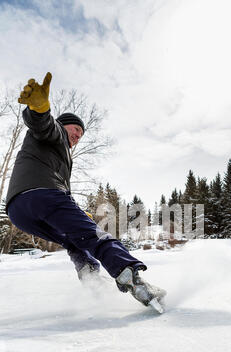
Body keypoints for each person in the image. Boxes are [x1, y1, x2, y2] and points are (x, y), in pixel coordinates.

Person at [5, 72, 165, 311]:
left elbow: (62, 191)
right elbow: (43, 124)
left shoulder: (55, 154)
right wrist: (38, 109)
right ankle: (131, 276)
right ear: (62, 124)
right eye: (75, 129)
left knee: (75, 241)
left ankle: (92, 281)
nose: (78, 136)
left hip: (18, 210)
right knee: (94, 235)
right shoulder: (56, 134)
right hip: (43, 197)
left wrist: (77, 212)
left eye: (81, 134)